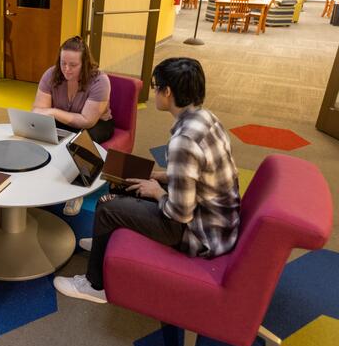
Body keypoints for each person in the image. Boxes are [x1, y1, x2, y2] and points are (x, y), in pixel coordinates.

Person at [53, 57, 240, 304]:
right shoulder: (207, 118)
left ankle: (95, 284)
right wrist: (158, 176)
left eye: (156, 86)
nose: (154, 92)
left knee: (108, 207)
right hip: (215, 217)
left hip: (197, 232)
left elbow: (180, 213)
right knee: (122, 177)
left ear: (168, 92)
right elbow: (198, 175)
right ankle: (104, 243)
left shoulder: (184, 140)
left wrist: (156, 192)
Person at [32, 35, 113, 216]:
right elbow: (38, 110)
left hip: (98, 124)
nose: (66, 69)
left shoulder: (100, 81)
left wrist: (53, 112)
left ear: (84, 63)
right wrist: (48, 114)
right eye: (63, 63)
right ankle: (38, 179)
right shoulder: (51, 74)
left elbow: (87, 120)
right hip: (66, 120)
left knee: (83, 138)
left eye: (73, 65)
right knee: (37, 131)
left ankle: (77, 191)